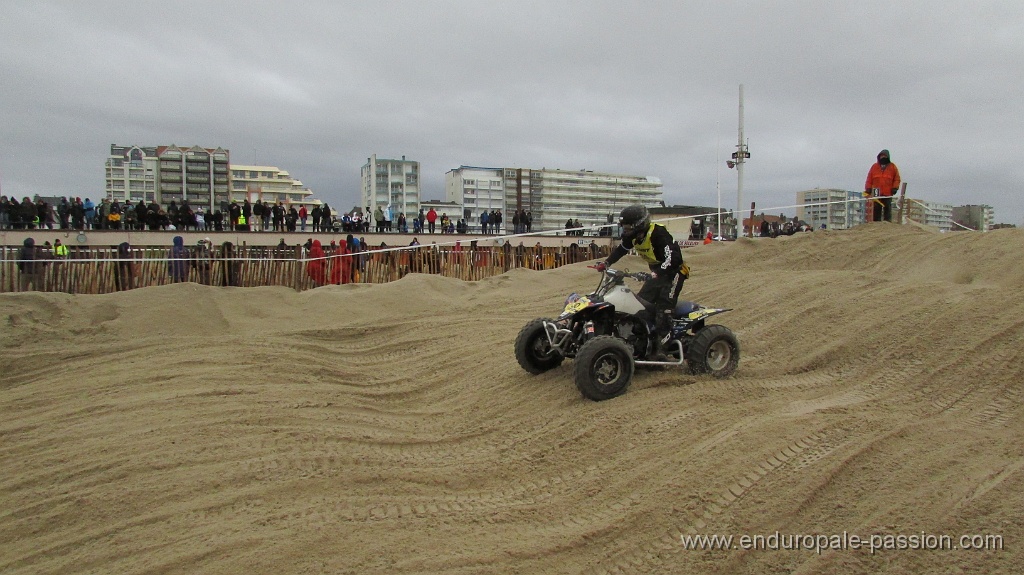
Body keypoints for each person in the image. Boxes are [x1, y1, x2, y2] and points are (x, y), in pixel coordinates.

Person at [596, 204, 688, 361]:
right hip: (656, 274)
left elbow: (673, 259)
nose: (625, 229)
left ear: (640, 224)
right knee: (640, 306)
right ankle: (643, 340)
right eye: (623, 226)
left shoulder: (658, 234)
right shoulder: (633, 236)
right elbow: (621, 250)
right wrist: (607, 263)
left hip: (674, 273)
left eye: (628, 226)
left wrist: (655, 273)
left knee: (663, 308)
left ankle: (661, 348)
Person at [864, 149, 901, 223]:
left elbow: (897, 178)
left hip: (888, 191)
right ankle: (876, 222)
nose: (883, 157)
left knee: (887, 207)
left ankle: (887, 222)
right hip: (876, 191)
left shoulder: (893, 167)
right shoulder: (874, 166)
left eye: (884, 156)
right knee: (877, 207)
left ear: (888, 157)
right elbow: (869, 178)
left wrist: (895, 187)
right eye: (881, 156)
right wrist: (868, 188)